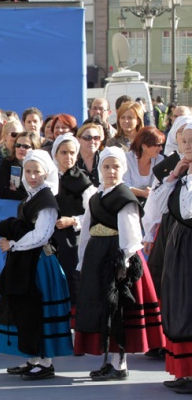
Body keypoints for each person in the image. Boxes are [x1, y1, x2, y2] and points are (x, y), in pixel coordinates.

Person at [74, 146, 164, 381]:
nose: (111, 171)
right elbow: (86, 231)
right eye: (106, 166)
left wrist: (123, 261)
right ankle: (109, 360)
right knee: (103, 308)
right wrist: (83, 261)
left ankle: (120, 363)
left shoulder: (125, 196)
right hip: (97, 254)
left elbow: (131, 232)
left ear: (123, 169)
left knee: (118, 309)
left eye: (116, 166)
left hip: (116, 256)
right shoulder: (95, 197)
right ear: (100, 169)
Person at [0, 149, 73, 380]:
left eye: (36, 171)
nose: (31, 176)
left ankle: (46, 362)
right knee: (27, 309)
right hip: (29, 261)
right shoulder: (32, 195)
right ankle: (33, 357)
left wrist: (13, 245)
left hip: (40, 263)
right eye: (28, 171)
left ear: (45, 172)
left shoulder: (46, 199)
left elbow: (42, 234)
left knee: (39, 308)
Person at [142, 124, 192, 393]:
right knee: (179, 306)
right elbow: (154, 208)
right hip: (178, 248)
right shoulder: (177, 179)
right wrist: (174, 174)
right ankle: (184, 371)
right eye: (183, 141)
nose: (188, 145)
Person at [50, 134, 96, 319]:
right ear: (55, 154)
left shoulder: (82, 181)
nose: (67, 157)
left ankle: (76, 325)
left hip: (72, 239)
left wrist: (73, 220)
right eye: (63, 152)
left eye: (71, 153)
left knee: (73, 279)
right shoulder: (49, 178)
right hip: (50, 239)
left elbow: (92, 213)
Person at [123, 126, 165, 205]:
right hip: (128, 201)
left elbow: (157, 185)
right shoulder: (127, 158)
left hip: (151, 203)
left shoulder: (160, 159)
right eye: (158, 145)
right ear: (144, 146)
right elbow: (124, 186)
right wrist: (143, 193)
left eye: (161, 145)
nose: (161, 149)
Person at [0, 131, 38, 200]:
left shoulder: (39, 166)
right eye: (17, 145)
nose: (21, 148)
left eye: (25, 146)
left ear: (34, 148)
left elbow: (36, 194)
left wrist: (18, 192)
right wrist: (22, 193)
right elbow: (3, 191)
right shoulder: (7, 163)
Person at [76, 122, 104, 186]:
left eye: (96, 138)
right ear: (78, 139)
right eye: (87, 138)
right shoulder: (72, 159)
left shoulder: (105, 158)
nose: (92, 141)